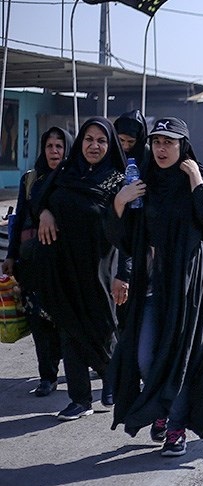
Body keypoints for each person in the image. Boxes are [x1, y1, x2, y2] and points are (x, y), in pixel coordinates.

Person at [107, 116, 203, 457]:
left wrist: (195, 179)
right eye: (157, 141)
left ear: (182, 146)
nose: (161, 148)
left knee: (181, 358)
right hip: (150, 287)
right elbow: (123, 239)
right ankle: (162, 407)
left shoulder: (197, 178)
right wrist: (119, 202)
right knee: (145, 357)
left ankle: (175, 428)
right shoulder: (143, 182)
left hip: (188, 288)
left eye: (170, 142)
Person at [35, 117, 131, 420]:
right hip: (62, 266)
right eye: (88, 139)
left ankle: (114, 380)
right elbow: (38, 198)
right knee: (69, 329)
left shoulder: (118, 181)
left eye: (101, 140)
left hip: (99, 268)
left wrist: (123, 275)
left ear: (109, 145)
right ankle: (80, 399)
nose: (94, 145)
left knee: (102, 329)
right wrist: (45, 213)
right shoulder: (66, 173)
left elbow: (128, 233)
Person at [2, 126, 72, 397]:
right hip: (31, 262)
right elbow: (18, 218)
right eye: (49, 146)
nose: (54, 151)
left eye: (59, 146)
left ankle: (80, 368)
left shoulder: (73, 178)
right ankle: (47, 376)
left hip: (63, 263)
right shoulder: (30, 179)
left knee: (62, 318)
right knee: (36, 317)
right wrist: (11, 255)